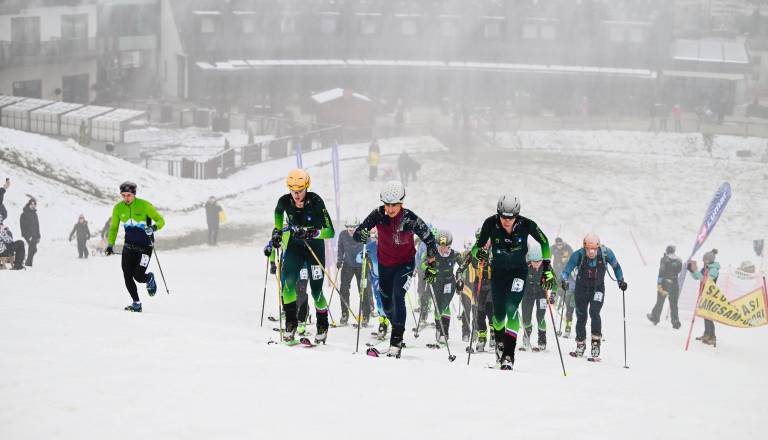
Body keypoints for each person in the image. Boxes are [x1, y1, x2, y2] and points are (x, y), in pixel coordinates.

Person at [353, 181, 437, 358]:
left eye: (394, 205)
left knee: (398, 295)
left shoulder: (409, 218)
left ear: (401, 203)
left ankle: (396, 339)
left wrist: (431, 265)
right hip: (385, 264)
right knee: (386, 304)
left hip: (405, 264)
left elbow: (429, 239)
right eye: (387, 205)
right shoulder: (378, 214)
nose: (390, 209)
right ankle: (396, 327)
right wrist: (362, 234)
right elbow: (357, 233)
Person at [470, 194, 555, 370]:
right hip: (498, 273)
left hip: (518, 272)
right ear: (498, 213)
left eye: (511, 217)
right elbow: (476, 247)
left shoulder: (527, 224)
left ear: (517, 215)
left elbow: (544, 241)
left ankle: (509, 355)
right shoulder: (490, 223)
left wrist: (547, 268)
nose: (506, 221)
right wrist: (478, 253)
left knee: (511, 307)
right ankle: (500, 345)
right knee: (499, 315)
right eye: (503, 217)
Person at [266, 169, 335, 344]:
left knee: (316, 291)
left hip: (314, 248)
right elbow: (278, 215)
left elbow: (330, 232)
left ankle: (322, 325)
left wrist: (311, 233)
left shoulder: (316, 201)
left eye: (300, 190)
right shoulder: (284, 201)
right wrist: (277, 232)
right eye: (293, 191)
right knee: (288, 286)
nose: (296, 195)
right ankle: (291, 324)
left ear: (307, 187)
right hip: (295, 247)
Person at [561, 233, 627, 360]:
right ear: (584, 247)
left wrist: (621, 281)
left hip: (598, 288)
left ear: (598, 247)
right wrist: (564, 280)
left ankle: (596, 344)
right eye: (588, 249)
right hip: (581, 289)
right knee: (581, 315)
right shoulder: (578, 255)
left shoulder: (606, 253)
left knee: (594, 312)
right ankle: (580, 343)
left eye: (594, 249)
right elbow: (566, 270)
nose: (591, 252)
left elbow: (616, 267)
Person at [106, 181, 165, 312]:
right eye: (123, 195)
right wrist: (110, 244)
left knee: (138, 276)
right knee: (127, 275)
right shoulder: (118, 208)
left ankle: (149, 278)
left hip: (145, 247)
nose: (126, 198)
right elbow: (114, 228)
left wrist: (153, 228)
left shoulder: (145, 205)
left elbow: (161, 221)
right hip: (128, 247)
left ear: (134, 194)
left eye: (129, 195)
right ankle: (136, 303)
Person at [423, 230, 462, 344]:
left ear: (449, 245)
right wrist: (429, 270)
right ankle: (438, 328)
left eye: (445, 246)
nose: (442, 248)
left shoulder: (455, 254)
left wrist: (460, 279)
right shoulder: (432, 253)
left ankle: (444, 332)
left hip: (449, 282)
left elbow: (462, 268)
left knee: (445, 304)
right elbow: (423, 264)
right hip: (435, 282)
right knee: (437, 307)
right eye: (440, 246)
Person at [336, 219, 366, 326]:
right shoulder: (343, 235)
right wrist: (339, 260)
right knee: (343, 289)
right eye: (349, 227)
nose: (351, 229)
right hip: (348, 264)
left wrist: (368, 258)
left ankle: (365, 314)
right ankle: (345, 313)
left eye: (354, 227)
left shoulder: (362, 234)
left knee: (363, 289)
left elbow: (369, 246)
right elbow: (340, 248)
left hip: (361, 266)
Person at [688, 249, 720, 345]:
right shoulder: (705, 267)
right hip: (703, 293)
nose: (703, 260)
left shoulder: (713, 269)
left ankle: (712, 337)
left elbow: (706, 280)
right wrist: (692, 270)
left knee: (708, 315)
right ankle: (706, 334)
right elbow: (697, 277)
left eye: (704, 259)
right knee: (704, 314)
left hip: (710, 295)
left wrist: (696, 272)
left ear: (709, 260)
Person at [520, 245, 549, 351]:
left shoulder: (546, 267)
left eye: (538, 261)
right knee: (526, 318)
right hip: (527, 294)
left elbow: (554, 284)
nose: (536, 264)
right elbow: (517, 279)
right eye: (534, 261)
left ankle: (542, 338)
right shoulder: (525, 267)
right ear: (530, 259)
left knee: (540, 317)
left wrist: (553, 293)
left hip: (541, 294)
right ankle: (527, 335)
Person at [647, 245, 683, 329]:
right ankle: (675, 322)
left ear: (667, 251)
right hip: (674, 283)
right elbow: (678, 270)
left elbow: (661, 271)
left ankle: (655, 317)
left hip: (665, 283)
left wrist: (659, 283)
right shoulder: (679, 260)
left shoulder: (664, 259)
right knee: (674, 304)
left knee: (660, 301)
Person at [551, 237, 573, 308]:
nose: (559, 246)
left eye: (560, 244)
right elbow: (548, 255)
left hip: (565, 269)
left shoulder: (567, 247)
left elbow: (573, 255)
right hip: (556, 268)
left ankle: (565, 300)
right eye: (557, 244)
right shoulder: (553, 248)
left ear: (562, 243)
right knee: (555, 283)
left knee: (565, 285)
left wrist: (569, 258)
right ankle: (553, 298)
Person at [19, 197, 40, 267]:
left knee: (33, 249)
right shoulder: (24, 214)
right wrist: (28, 236)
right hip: (28, 235)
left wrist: (38, 235)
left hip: (34, 234)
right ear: (29, 204)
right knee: (33, 248)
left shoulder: (34, 214)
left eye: (34, 204)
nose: (33, 206)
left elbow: (37, 225)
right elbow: (22, 226)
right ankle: (28, 263)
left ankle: (28, 263)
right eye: (32, 204)